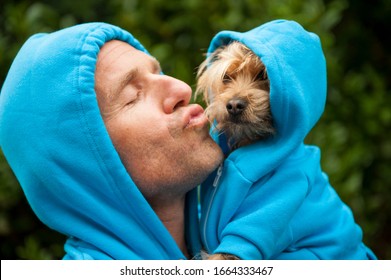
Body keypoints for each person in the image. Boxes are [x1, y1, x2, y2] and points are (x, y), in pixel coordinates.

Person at [0, 22, 224, 259]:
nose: (181, 89)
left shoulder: (244, 231)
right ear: (85, 165)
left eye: (158, 73)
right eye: (133, 97)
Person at [198, 19, 377, 260]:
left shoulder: (291, 174)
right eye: (227, 79)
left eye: (263, 78)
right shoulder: (222, 159)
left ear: (294, 93)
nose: (235, 99)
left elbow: (233, 261)